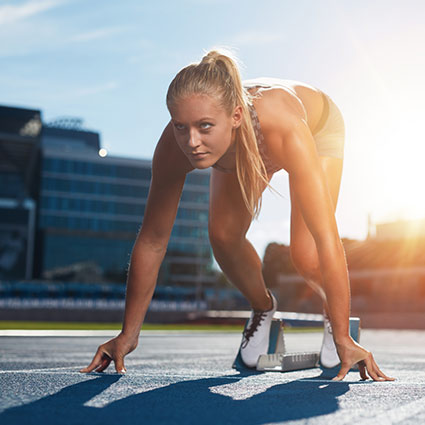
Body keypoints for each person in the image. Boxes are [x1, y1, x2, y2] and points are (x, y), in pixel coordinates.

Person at [80, 49, 394, 381]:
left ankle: (337, 319)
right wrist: (128, 334)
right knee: (223, 237)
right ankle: (263, 308)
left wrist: (343, 336)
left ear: (235, 117)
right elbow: (153, 241)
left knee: (305, 255)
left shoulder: (284, 129)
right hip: (243, 144)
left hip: (316, 130)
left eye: (204, 127)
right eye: (180, 126)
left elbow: (326, 237)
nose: (192, 142)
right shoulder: (175, 147)